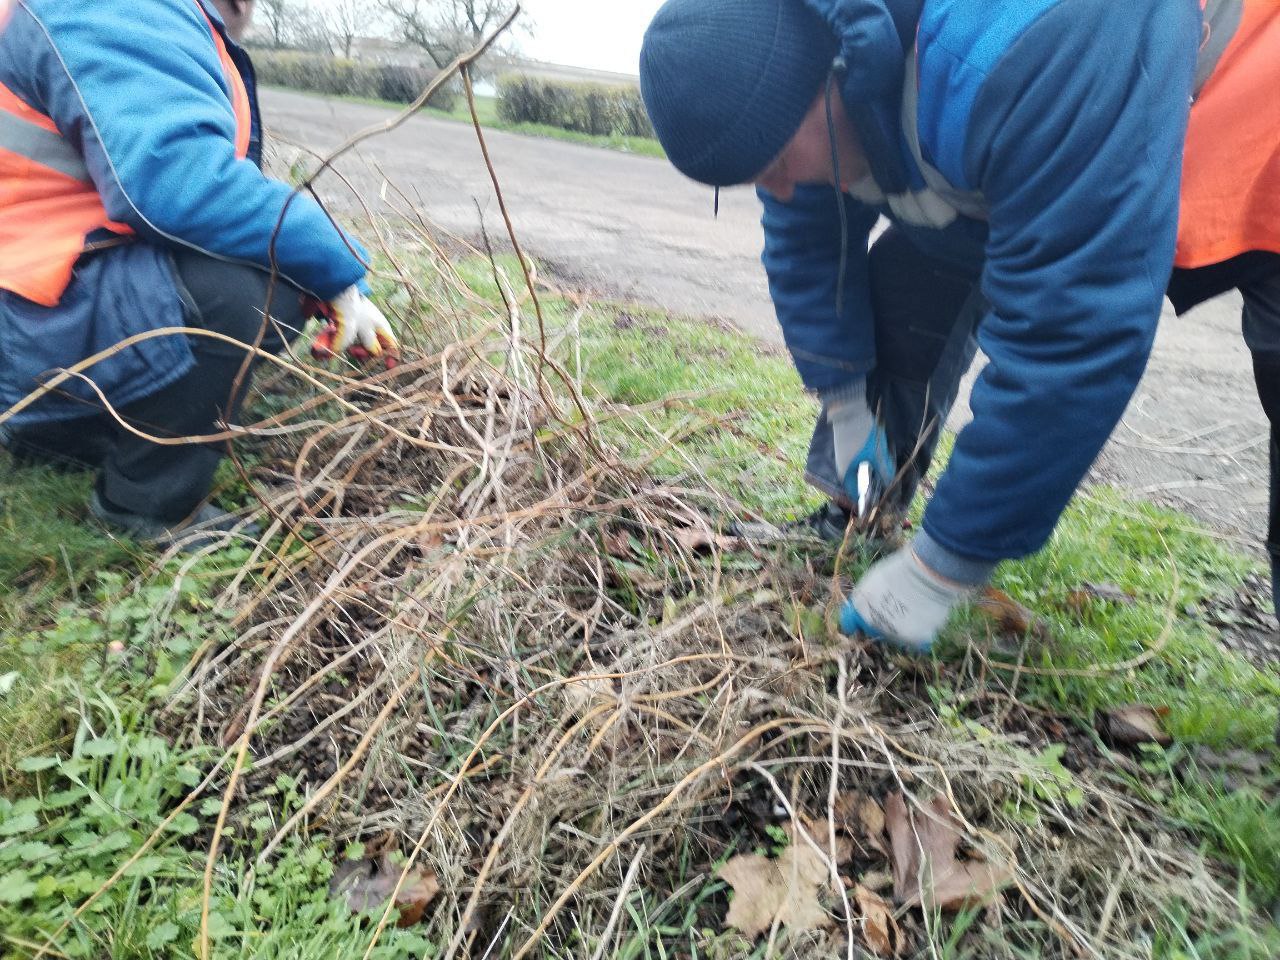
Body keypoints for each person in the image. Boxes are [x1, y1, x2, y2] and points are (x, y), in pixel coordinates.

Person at [639, 0, 1280, 649]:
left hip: (1249, 99)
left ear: (836, 69)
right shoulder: (803, 85)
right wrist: (845, 405)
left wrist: (940, 570)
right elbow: (810, 255)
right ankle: (858, 515)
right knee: (908, 280)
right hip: (1036, 138)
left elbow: (1069, 333)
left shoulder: (1022, 47)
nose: (775, 191)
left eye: (774, 166)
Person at [0, 0, 397, 545]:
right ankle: (147, 504)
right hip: (23, 318)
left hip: (28, 287)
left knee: (242, 263)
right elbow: (179, 185)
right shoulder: (116, 7)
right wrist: (338, 271)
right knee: (251, 297)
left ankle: (60, 432)